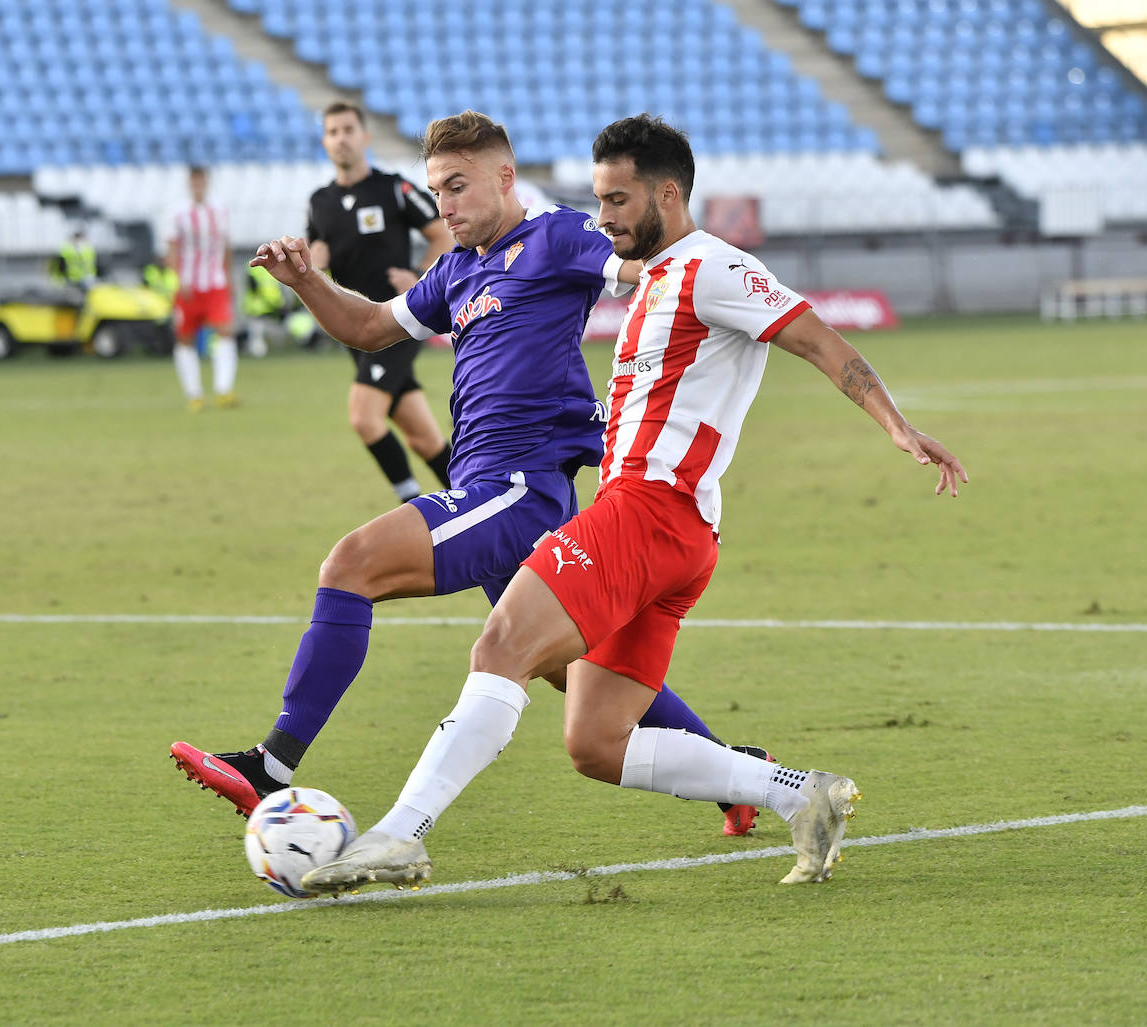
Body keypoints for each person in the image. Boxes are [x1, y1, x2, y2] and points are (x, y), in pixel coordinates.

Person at [301, 115, 969, 895]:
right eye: (597, 199)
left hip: (649, 511)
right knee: (596, 739)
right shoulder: (646, 275)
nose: (605, 217)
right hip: (677, 531)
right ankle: (803, 794)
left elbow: (819, 339)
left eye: (618, 200)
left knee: (501, 648)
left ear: (668, 193)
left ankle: (398, 836)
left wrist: (897, 425)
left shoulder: (710, 268)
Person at [170, 111, 768, 838]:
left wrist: (724, 298)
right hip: (488, 486)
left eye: (457, 186)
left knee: (352, 563)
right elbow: (367, 328)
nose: (444, 204)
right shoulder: (456, 269)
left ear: (505, 178)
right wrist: (306, 282)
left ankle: (272, 763)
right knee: (579, 669)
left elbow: (648, 267)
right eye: (436, 189)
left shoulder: (555, 236)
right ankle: (737, 773)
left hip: (518, 488)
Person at [308, 102, 454, 503]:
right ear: (324, 142)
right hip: (354, 330)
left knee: (363, 417)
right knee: (425, 439)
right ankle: (474, 497)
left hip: (399, 320)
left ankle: (411, 507)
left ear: (365, 137)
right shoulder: (319, 202)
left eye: (348, 129)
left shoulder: (393, 188)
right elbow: (315, 261)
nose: (341, 138)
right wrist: (314, 266)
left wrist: (421, 277)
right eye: (333, 131)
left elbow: (443, 235)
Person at [166, 165, 237, 411]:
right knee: (185, 339)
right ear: (189, 183)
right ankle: (194, 394)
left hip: (215, 283)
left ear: (206, 181)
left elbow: (225, 246)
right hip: (188, 286)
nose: (198, 185)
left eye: (201, 180)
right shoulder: (178, 213)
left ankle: (223, 391)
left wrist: (229, 278)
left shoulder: (220, 210)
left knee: (225, 332)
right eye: (194, 181)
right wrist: (176, 280)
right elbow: (172, 250)